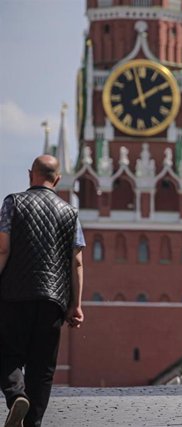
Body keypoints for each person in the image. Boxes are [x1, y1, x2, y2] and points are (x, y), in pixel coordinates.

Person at [0, 155, 85, 427]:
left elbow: (3, 249)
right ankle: (32, 423)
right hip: (54, 299)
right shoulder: (70, 213)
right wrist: (76, 305)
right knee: (43, 367)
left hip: (14, 295)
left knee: (7, 352)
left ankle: (16, 397)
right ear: (58, 179)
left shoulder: (12, 203)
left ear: (30, 175)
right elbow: (78, 261)